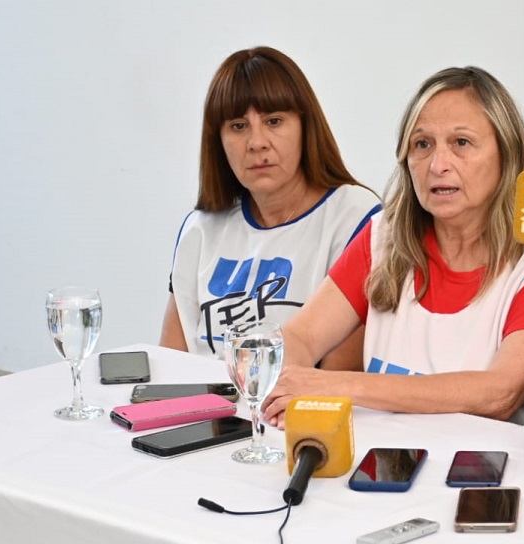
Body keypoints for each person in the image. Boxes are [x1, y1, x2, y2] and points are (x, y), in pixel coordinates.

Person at [260, 66, 524, 427]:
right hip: (386, 463)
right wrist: (286, 391)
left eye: (462, 143)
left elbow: (500, 393)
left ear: (507, 154)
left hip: (489, 478)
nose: (438, 165)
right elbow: (300, 336)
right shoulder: (384, 238)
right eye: (422, 144)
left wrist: (334, 385)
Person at [159, 46, 381, 363]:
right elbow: (171, 368)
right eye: (238, 126)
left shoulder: (357, 217)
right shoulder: (201, 227)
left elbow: (334, 382)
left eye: (274, 121)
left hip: (297, 411)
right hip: (205, 411)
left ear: (306, 127)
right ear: (217, 140)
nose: (257, 142)